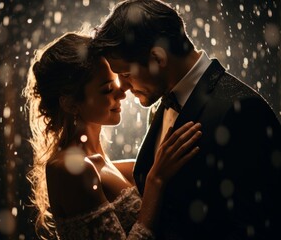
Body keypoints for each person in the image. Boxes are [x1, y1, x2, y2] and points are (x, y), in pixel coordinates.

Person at [90, 0, 281, 239]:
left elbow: (259, 226)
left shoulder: (242, 110)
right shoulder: (162, 102)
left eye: (126, 74)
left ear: (157, 58)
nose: (124, 88)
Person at [24, 32, 202, 239]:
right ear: (71, 103)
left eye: (116, 82)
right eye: (107, 89)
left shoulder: (107, 164)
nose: (121, 93)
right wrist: (156, 181)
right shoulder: (70, 169)